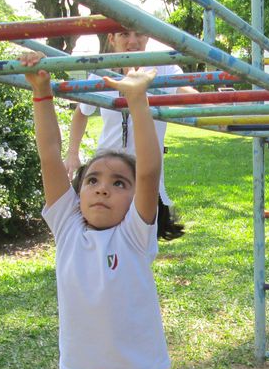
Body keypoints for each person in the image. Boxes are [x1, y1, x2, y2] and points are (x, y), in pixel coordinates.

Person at [21, 50, 178, 369]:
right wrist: (41, 91)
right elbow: (49, 156)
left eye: (118, 183)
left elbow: (149, 167)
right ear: (78, 189)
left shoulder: (135, 235)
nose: (103, 188)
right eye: (92, 180)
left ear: (135, 199)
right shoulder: (67, 228)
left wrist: (139, 101)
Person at [64, 29, 190, 240]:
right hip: (108, 170)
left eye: (139, 34)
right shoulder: (102, 72)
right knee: (99, 233)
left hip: (144, 172)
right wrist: (72, 153)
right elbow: (81, 112)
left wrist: (220, 109)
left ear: (148, 36)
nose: (133, 41)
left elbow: (186, 93)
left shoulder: (162, 67)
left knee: (141, 238)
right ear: (111, 38)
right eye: (124, 34)